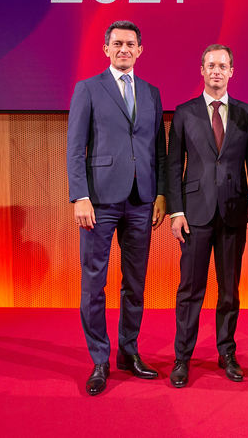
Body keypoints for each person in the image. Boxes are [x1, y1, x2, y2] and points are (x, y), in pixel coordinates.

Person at [66, 20, 167, 396]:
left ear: (140, 50)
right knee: (94, 283)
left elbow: (159, 150)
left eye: (130, 44)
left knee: (135, 283)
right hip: (99, 201)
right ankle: (99, 360)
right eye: (118, 44)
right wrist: (79, 196)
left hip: (142, 200)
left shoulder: (151, 93)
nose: (124, 49)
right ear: (106, 49)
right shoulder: (88, 89)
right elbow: (75, 147)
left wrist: (161, 196)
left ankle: (128, 352)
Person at [166, 44, 248, 388]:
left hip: (235, 212)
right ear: (202, 70)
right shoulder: (184, 112)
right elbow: (173, 165)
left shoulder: (246, 113)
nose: (216, 71)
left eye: (223, 66)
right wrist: (176, 211)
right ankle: (182, 358)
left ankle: (227, 353)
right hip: (194, 214)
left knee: (229, 291)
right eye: (211, 65)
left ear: (231, 71)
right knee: (190, 289)